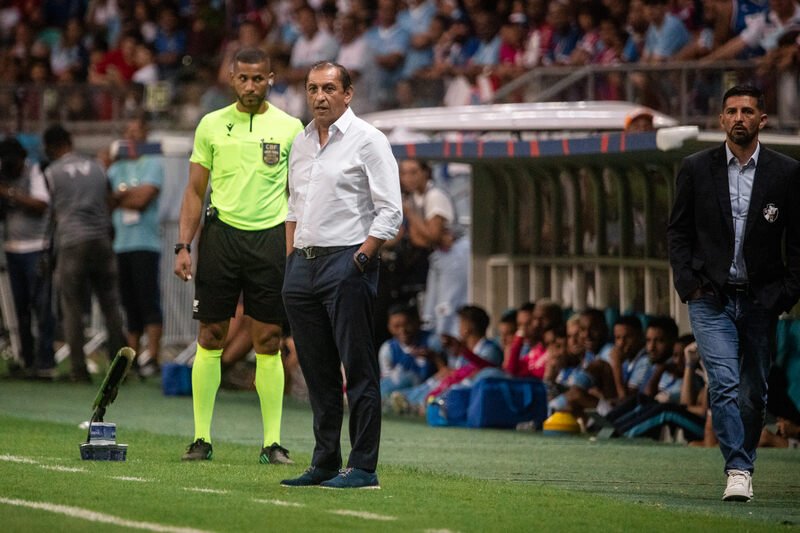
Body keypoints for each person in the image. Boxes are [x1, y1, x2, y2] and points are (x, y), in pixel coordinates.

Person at [667, 84, 800, 502]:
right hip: (711, 296)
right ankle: (738, 468)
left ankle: (742, 462)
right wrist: (688, 283)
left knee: (753, 390)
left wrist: (787, 293)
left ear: (762, 119)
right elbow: (678, 231)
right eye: (731, 111)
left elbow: (797, 240)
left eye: (747, 110)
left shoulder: (786, 172)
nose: (738, 117)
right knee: (723, 381)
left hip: (762, 297)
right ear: (721, 119)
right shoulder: (695, 168)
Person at [174, 47, 303, 465]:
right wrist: (183, 244)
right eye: (243, 78)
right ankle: (201, 438)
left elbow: (298, 195)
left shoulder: (290, 127)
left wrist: (295, 247)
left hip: (269, 242)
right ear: (231, 78)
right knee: (210, 336)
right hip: (221, 238)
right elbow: (195, 191)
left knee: (268, 340)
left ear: (271, 79)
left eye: (258, 78)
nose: (251, 85)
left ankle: (272, 443)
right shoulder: (211, 124)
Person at [280, 61, 402, 489]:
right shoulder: (301, 141)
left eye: (329, 88)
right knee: (317, 371)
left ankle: (364, 467)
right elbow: (293, 206)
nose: (319, 96)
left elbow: (390, 212)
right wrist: (292, 257)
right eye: (312, 88)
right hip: (303, 265)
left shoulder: (369, 140)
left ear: (347, 94)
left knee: (358, 368)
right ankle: (325, 461)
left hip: (348, 261)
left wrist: (362, 260)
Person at [42, 124, 127, 383]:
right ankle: (120, 368)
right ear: (70, 141)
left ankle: (78, 370)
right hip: (101, 239)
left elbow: (52, 209)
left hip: (72, 242)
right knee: (111, 304)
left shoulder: (52, 172)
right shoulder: (98, 167)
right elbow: (109, 200)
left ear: (49, 147)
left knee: (73, 307)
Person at [108, 116, 163, 377]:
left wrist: (120, 197)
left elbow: (143, 198)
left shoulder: (152, 162)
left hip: (145, 242)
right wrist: (124, 197)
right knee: (129, 303)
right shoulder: (116, 167)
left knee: (148, 300)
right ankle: (132, 358)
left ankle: (153, 357)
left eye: (136, 131)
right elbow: (104, 198)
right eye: (127, 132)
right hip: (121, 243)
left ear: (145, 134)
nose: (131, 136)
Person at [0, 137, 56, 379]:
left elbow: (42, 204)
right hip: (13, 248)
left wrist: (9, 193)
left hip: (36, 247)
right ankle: (27, 358)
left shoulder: (34, 172)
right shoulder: (5, 176)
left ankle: (45, 361)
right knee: (20, 309)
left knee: (42, 307)